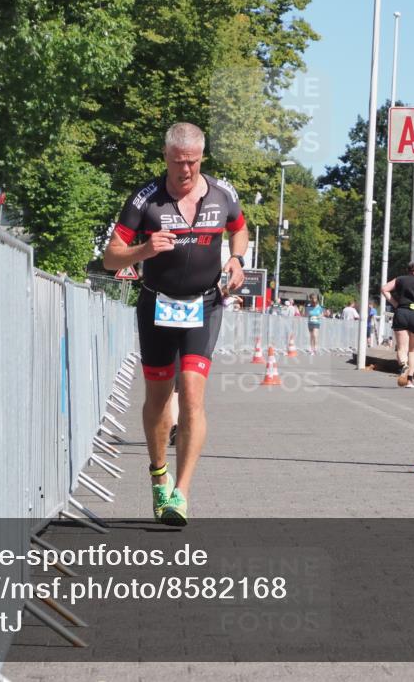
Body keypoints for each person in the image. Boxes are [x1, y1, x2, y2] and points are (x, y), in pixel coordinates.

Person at [103, 122, 247, 526]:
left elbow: (240, 230)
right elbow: (111, 257)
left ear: (202, 157)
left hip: (205, 305)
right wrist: (143, 249)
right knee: (157, 397)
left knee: (194, 395)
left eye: (193, 162)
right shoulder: (145, 199)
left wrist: (236, 259)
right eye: (177, 163)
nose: (185, 171)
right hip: (156, 305)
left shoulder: (223, 193)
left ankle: (181, 494)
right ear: (164, 156)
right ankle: (158, 475)